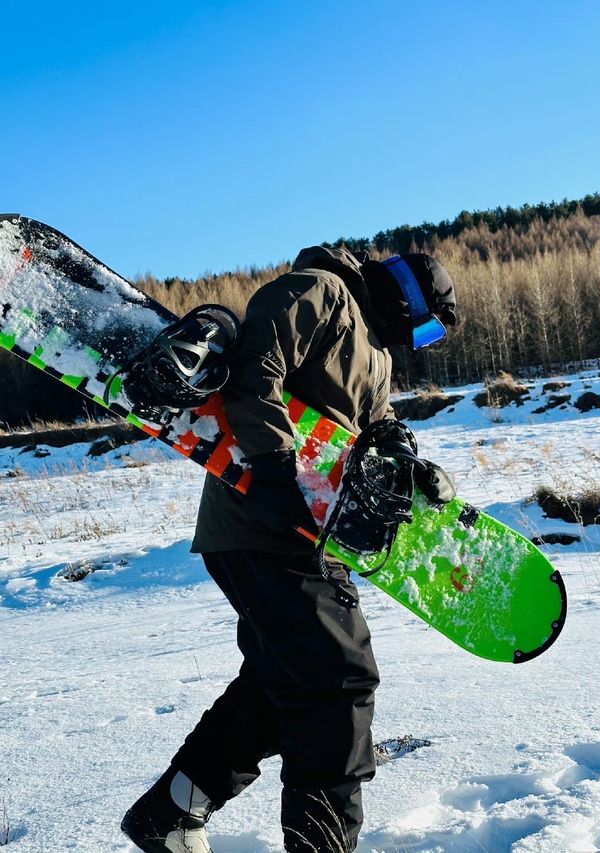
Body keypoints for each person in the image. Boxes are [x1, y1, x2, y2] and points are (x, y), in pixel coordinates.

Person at [121, 246, 457, 853]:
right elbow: (255, 368)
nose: (420, 341)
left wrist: (406, 459)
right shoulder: (321, 292)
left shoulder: (375, 352)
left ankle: (170, 813)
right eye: (427, 326)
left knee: (284, 682)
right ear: (408, 297)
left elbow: (370, 427)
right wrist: (276, 472)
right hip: (260, 520)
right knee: (337, 679)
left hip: (312, 533)